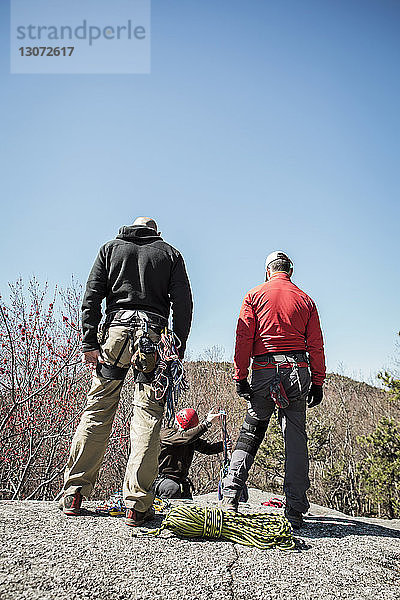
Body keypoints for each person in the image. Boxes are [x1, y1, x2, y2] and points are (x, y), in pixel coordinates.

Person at [59, 217, 193, 527]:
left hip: (114, 335)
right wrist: (178, 347)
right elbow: (184, 304)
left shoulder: (110, 249)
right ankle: (136, 504)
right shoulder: (169, 254)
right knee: (147, 416)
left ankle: (74, 494)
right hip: (154, 337)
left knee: (97, 409)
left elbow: (91, 295)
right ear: (156, 232)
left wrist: (89, 341)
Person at [222, 251, 325, 529]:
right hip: (297, 372)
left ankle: (230, 496)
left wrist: (240, 376)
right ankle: (294, 510)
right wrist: (318, 381)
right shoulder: (306, 300)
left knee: (251, 431)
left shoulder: (254, 295)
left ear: (267, 271)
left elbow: (243, 337)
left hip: (264, 371)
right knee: (295, 439)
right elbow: (315, 344)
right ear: (289, 271)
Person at [154, 408, 230, 499]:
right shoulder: (166, 435)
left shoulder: (190, 439)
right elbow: (185, 438)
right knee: (172, 488)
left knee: (185, 493)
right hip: (161, 480)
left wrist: (223, 445)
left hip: (179, 481)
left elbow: (207, 448)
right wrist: (206, 424)